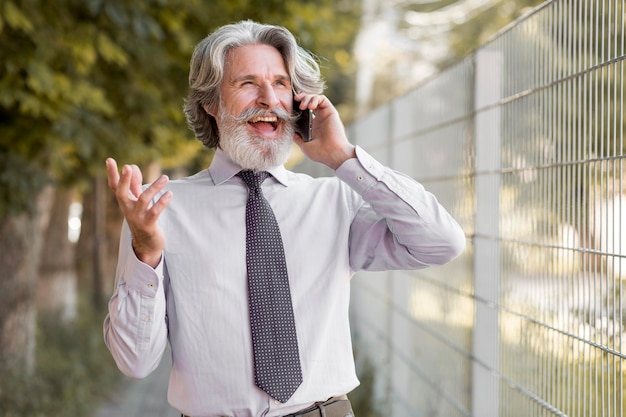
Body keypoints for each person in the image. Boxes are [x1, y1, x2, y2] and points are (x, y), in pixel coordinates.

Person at [103, 20, 465, 417]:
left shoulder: (334, 200)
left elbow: (441, 242)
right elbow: (134, 362)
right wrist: (145, 251)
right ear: (210, 102)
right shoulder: (161, 212)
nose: (268, 98)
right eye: (247, 83)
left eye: (280, 84)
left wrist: (342, 156)